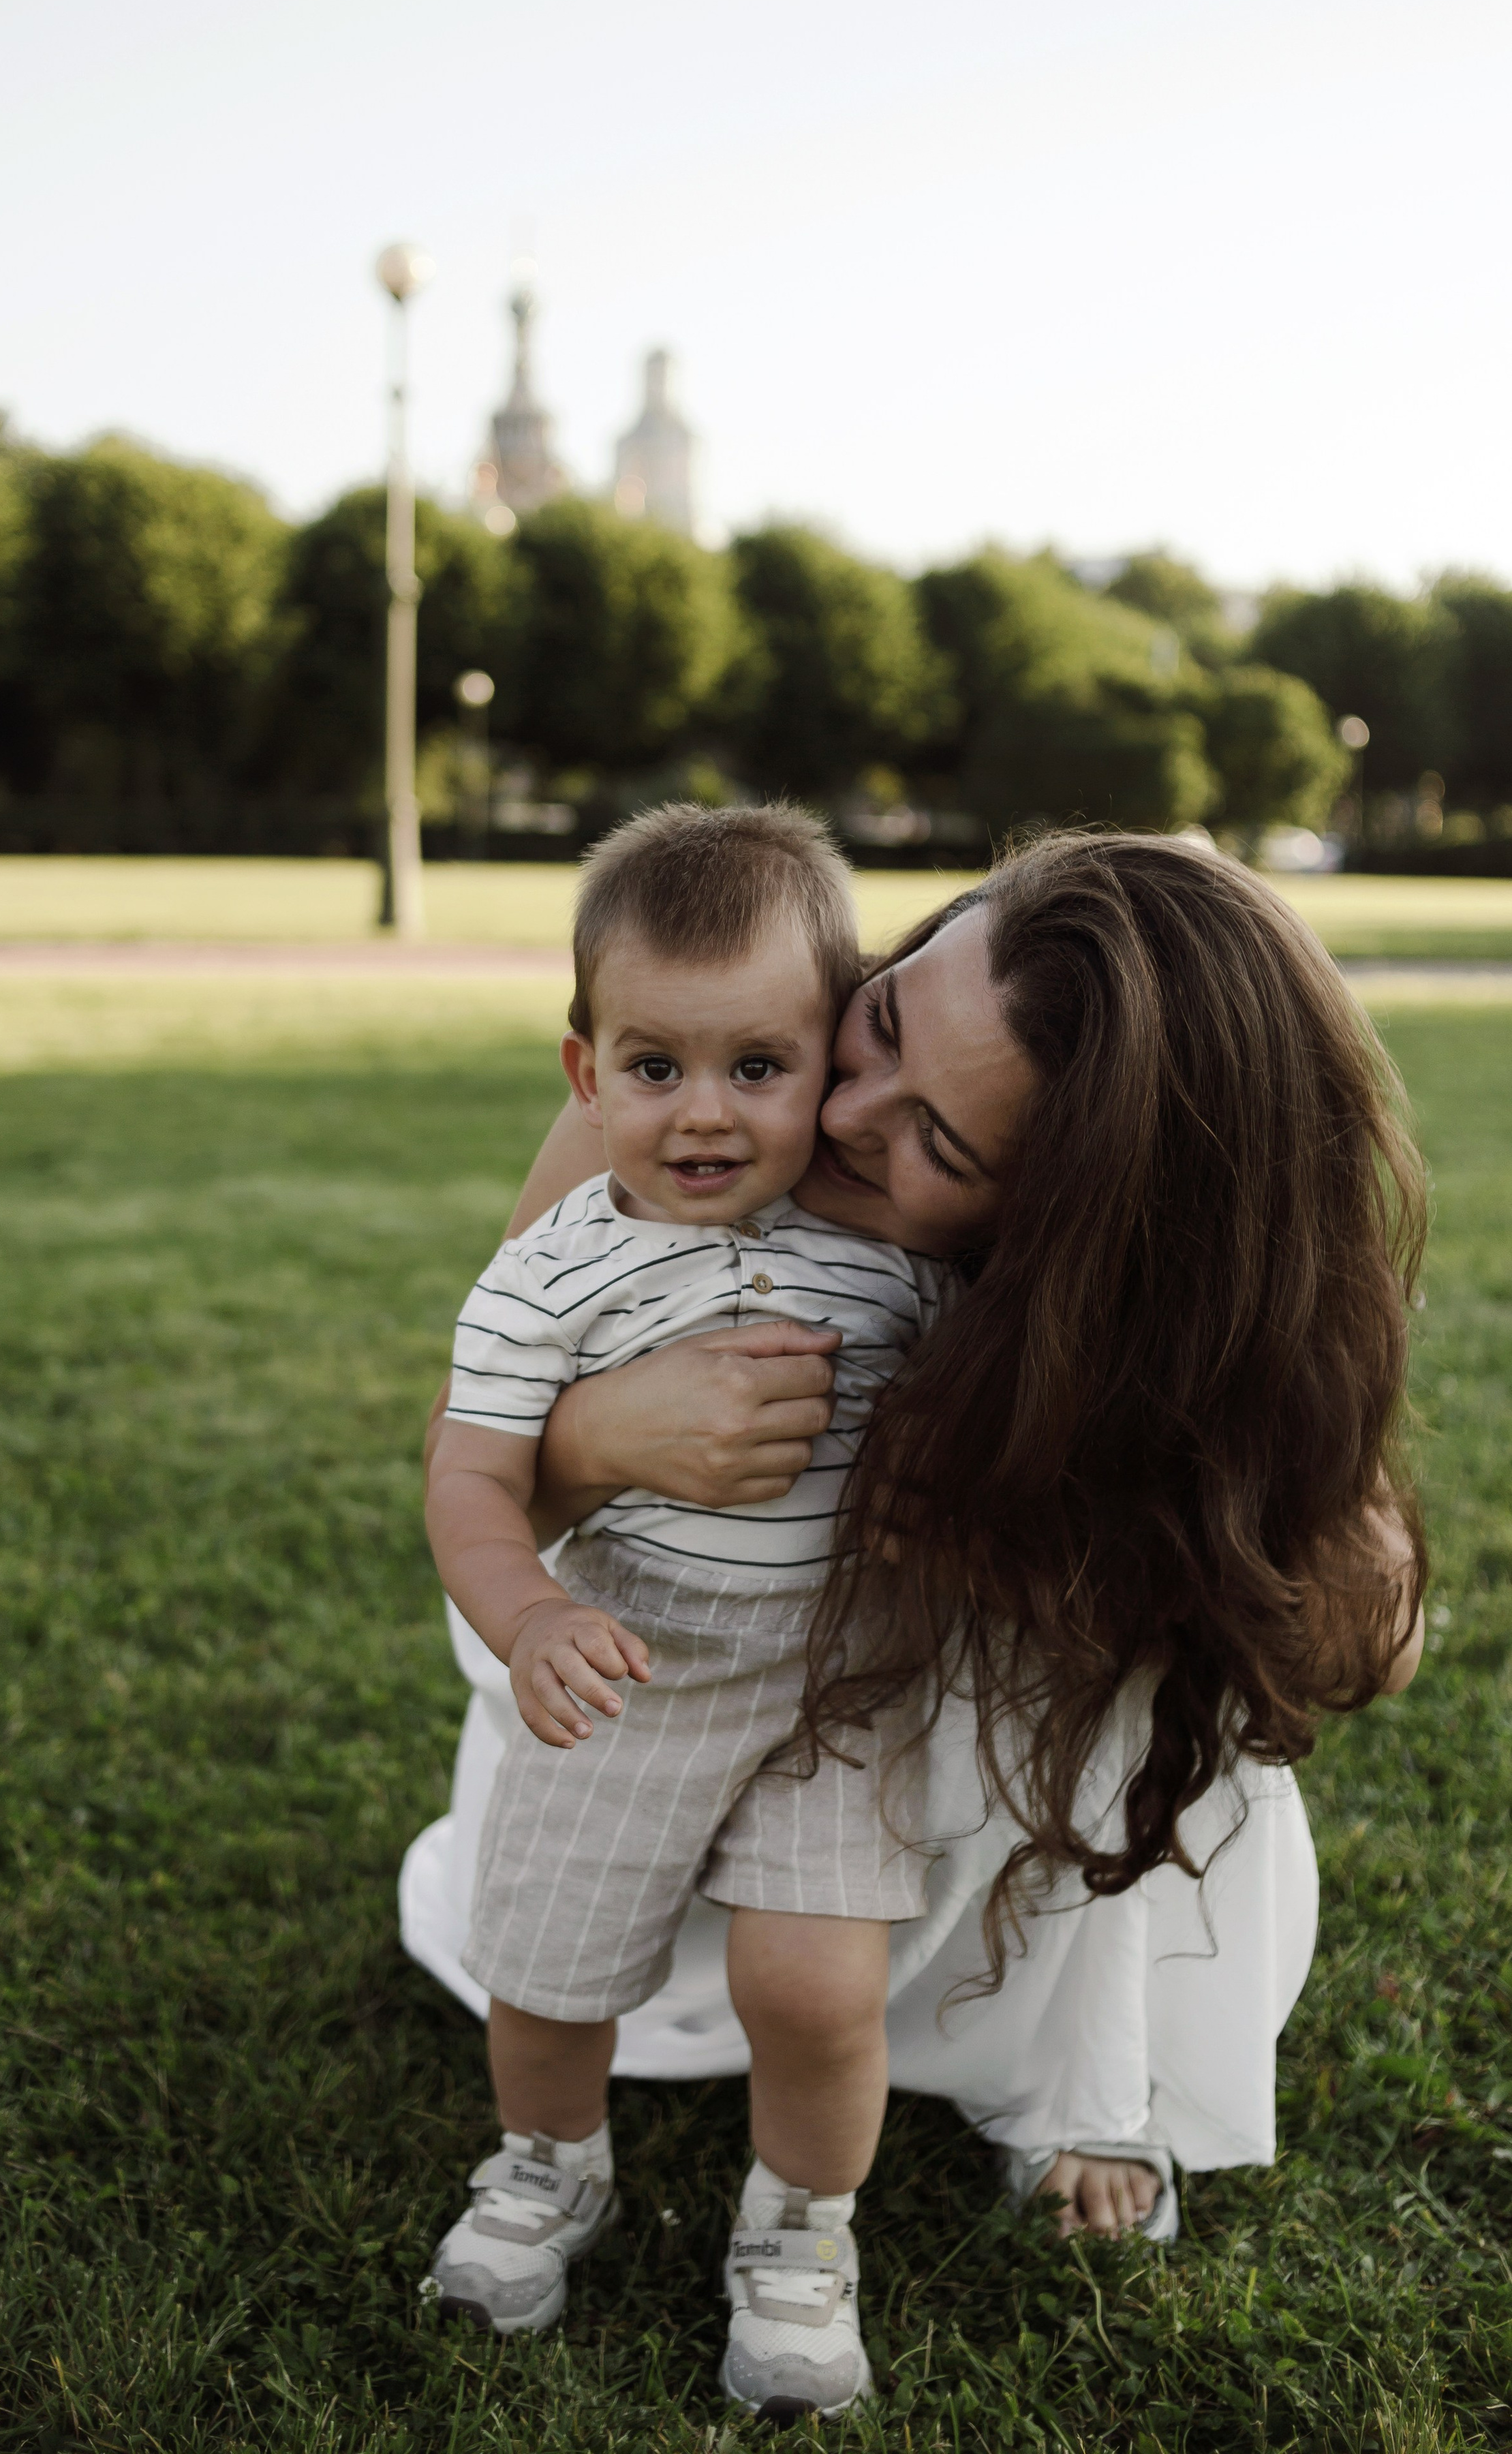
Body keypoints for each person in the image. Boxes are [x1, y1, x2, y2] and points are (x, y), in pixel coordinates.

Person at [403, 830, 1425, 2359]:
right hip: (663, 1649)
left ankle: (1077, 2062)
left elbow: (1357, 1632)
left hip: (909, 1714)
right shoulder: (716, 1086)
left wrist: (1037, 1529)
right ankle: (598, 2085)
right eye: (875, 1024)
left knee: (1150, 1641)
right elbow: (475, 1449)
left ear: (1078, 1224)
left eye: (939, 1144)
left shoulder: (1168, 1311)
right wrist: (603, 1435)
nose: (839, 1113)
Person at [424, 803, 949, 2419]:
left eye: (757, 1068)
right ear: (585, 1077)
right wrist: (526, 1622)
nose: (704, 1115)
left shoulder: (888, 1260)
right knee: (546, 1962)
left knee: (813, 1984)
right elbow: (468, 1482)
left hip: (836, 1676)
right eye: (655, 1069)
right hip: (631, 1650)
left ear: (832, 1069)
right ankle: (547, 2166)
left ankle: (799, 2235)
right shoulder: (548, 1277)